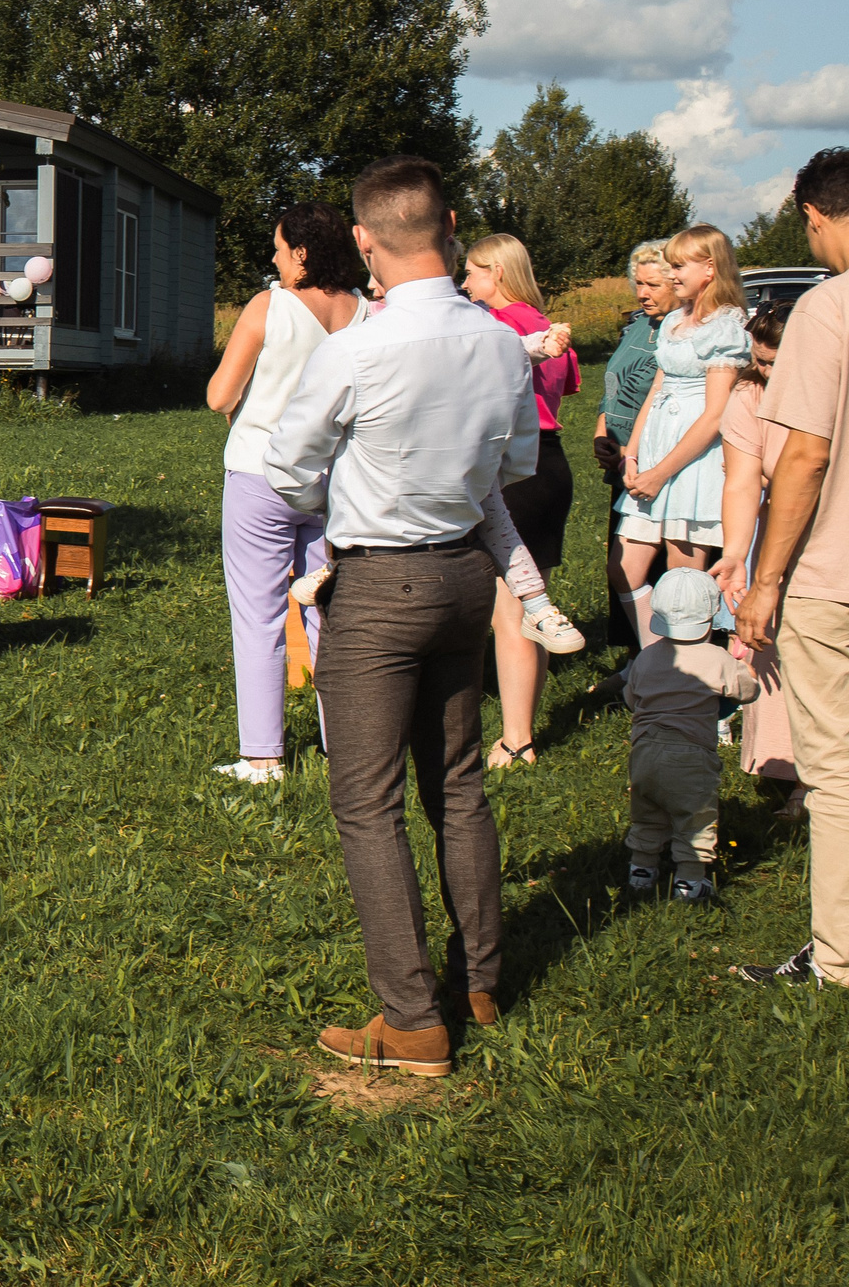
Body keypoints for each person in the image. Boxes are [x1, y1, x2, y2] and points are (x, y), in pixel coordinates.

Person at [265, 155, 537, 1077]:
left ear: (366, 241)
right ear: (452, 223)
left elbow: (291, 464)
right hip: (466, 573)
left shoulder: (358, 346)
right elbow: (521, 465)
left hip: (381, 582)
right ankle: (481, 979)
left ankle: (413, 1016)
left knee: (367, 800)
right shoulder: (502, 340)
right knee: (457, 780)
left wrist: (345, 488)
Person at [735, 147, 849, 987]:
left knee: (838, 769)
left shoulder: (825, 311)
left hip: (831, 575)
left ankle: (841, 958)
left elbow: (804, 455)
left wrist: (765, 579)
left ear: (818, 215)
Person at [203, 202, 367, 785]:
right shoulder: (365, 311)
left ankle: (263, 756)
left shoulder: (269, 305)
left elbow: (221, 396)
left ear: (301, 253)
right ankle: (342, 743)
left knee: (259, 616)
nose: (272, 259)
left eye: (277, 248)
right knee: (331, 613)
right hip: (334, 481)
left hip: (260, 474)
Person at [459, 234, 589, 767]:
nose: (465, 284)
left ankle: (517, 739)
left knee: (510, 614)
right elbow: (566, 386)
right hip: (553, 463)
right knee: (533, 609)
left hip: (514, 467)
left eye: (471, 272)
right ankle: (522, 727)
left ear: (497, 273)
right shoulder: (549, 327)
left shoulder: (498, 326)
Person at [620, 226, 747, 603]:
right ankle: (652, 658)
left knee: (684, 580)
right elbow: (657, 389)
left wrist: (661, 473)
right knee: (623, 569)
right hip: (657, 447)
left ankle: (697, 659)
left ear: (709, 268)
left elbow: (715, 415)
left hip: (692, 459)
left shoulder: (723, 327)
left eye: (678, 266)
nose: (671, 274)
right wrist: (633, 453)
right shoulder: (676, 320)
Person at [711, 302, 802, 815]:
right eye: (760, 361)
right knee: (782, 648)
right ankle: (799, 774)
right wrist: (735, 554)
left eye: (776, 362)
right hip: (779, 536)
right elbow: (742, 478)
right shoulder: (749, 394)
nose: (766, 371)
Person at [622, 567, 757, 904]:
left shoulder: (647, 657)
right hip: (691, 755)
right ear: (711, 615)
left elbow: (630, 699)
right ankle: (690, 883)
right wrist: (748, 672)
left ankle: (640, 872)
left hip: (644, 752)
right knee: (695, 819)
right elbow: (748, 691)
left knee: (647, 816)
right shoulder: (718, 659)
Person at [597, 242, 675, 657]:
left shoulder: (677, 332)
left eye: (653, 285)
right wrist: (601, 435)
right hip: (623, 461)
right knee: (623, 558)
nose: (643, 293)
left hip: (654, 462)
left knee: (657, 567)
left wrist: (631, 448)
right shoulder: (635, 327)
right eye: (638, 283)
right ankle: (638, 659)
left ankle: (666, 660)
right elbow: (611, 388)